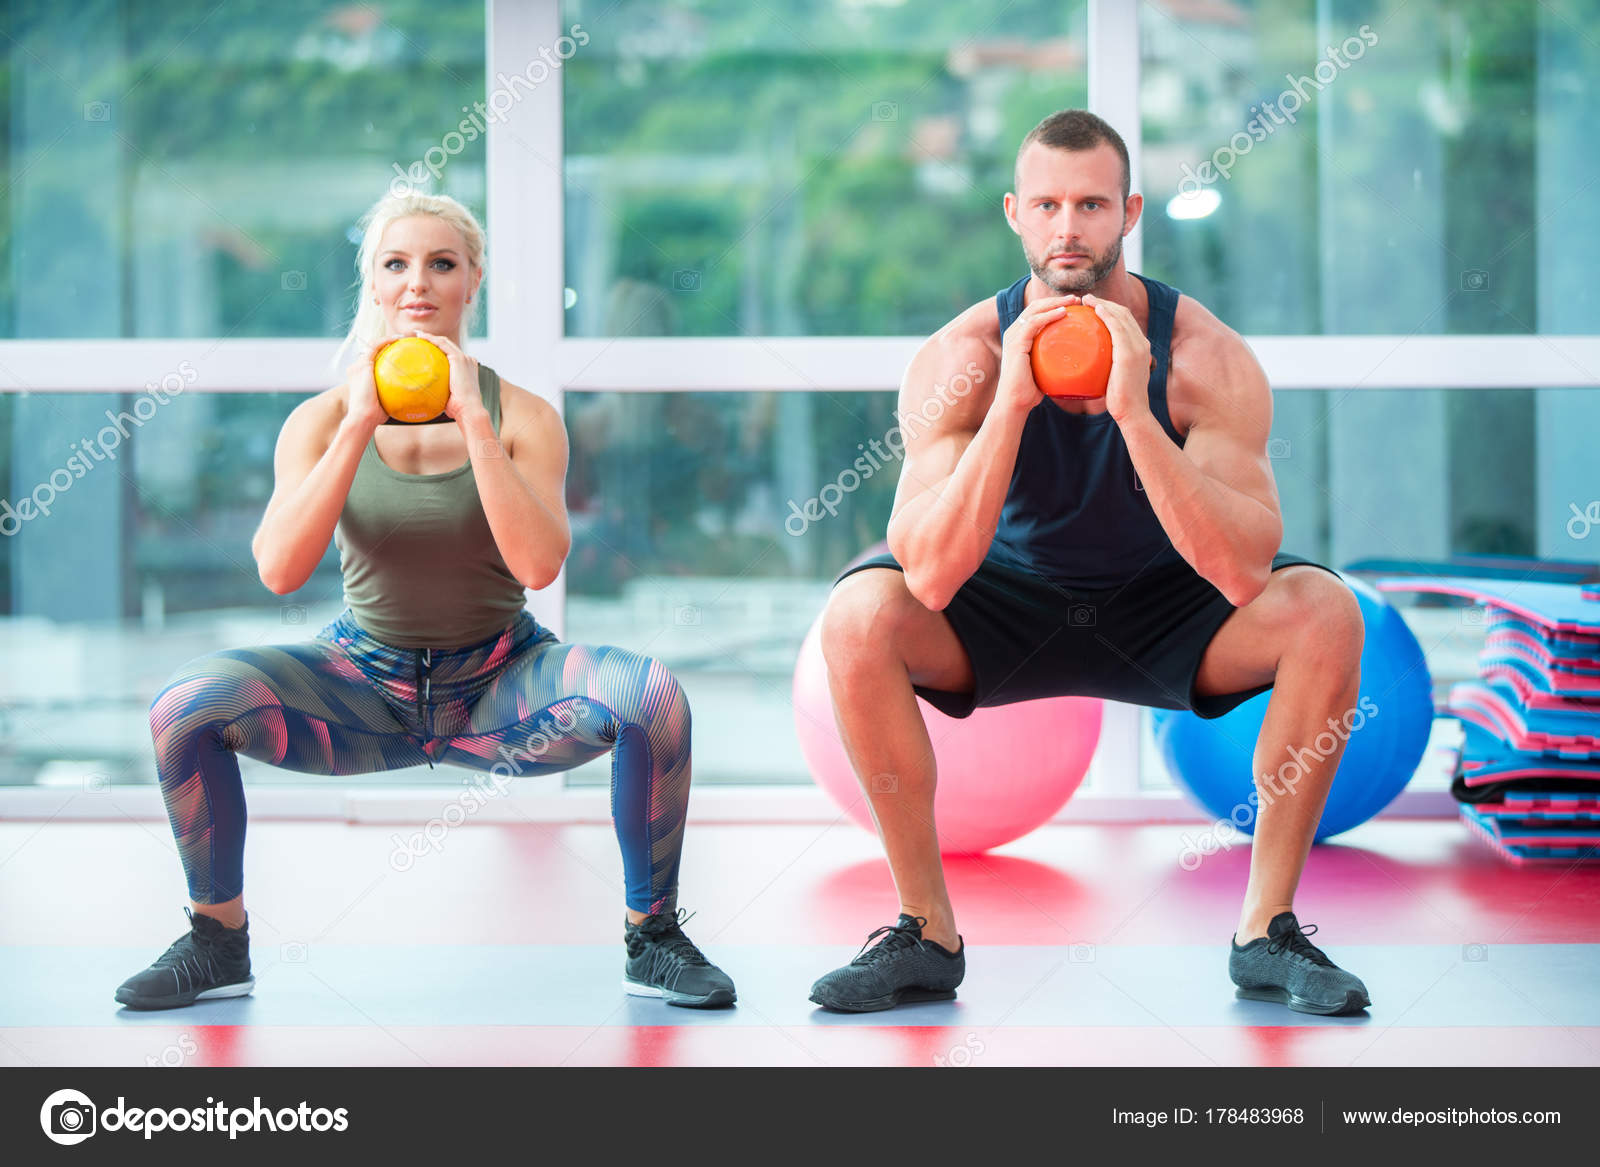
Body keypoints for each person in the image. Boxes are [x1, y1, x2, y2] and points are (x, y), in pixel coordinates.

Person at [808, 110, 1371, 1016]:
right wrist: (1013, 404)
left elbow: (1239, 571)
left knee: (1324, 610)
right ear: (1014, 214)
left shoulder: (1202, 357)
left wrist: (1136, 413)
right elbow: (932, 576)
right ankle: (925, 931)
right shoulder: (962, 360)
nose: (1069, 226)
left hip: (1170, 608)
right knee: (858, 614)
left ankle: (1266, 931)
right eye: (1048, 204)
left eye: (1092, 204)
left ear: (1129, 212)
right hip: (1003, 609)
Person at [115, 192, 736, 1011]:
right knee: (185, 706)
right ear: (371, 283)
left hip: (503, 687)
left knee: (652, 699)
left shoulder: (524, 416)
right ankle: (216, 938)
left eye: (442, 263)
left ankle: (652, 936)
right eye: (396, 264)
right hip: (360, 689)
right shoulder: (318, 420)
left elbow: (540, 563)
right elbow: (279, 569)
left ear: (472, 279)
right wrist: (355, 424)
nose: (419, 283)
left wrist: (475, 422)